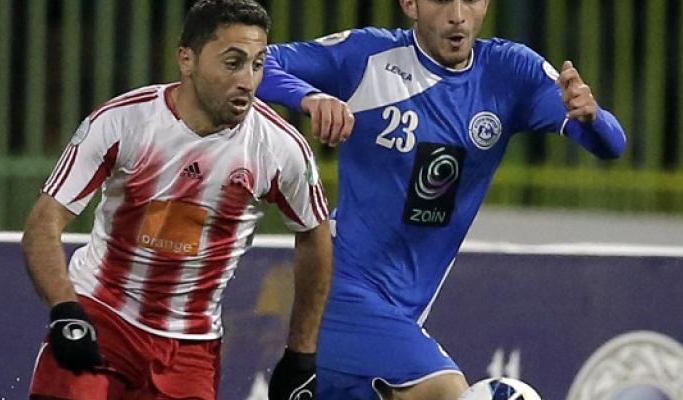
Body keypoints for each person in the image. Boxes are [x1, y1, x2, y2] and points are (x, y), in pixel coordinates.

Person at [257, 0, 626, 399]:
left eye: (471, 0)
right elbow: (257, 64)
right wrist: (310, 97)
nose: (458, 14)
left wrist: (592, 118)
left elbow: (612, 144)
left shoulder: (510, 72)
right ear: (410, 4)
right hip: (342, 290)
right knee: (449, 391)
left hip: (406, 312)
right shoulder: (367, 57)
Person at [21, 1, 332, 399]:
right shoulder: (123, 122)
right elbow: (44, 224)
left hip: (191, 349)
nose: (248, 81)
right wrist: (65, 310)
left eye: (257, 65)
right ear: (187, 60)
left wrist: (301, 354)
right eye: (233, 63)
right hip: (102, 319)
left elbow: (314, 235)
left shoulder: (281, 148)